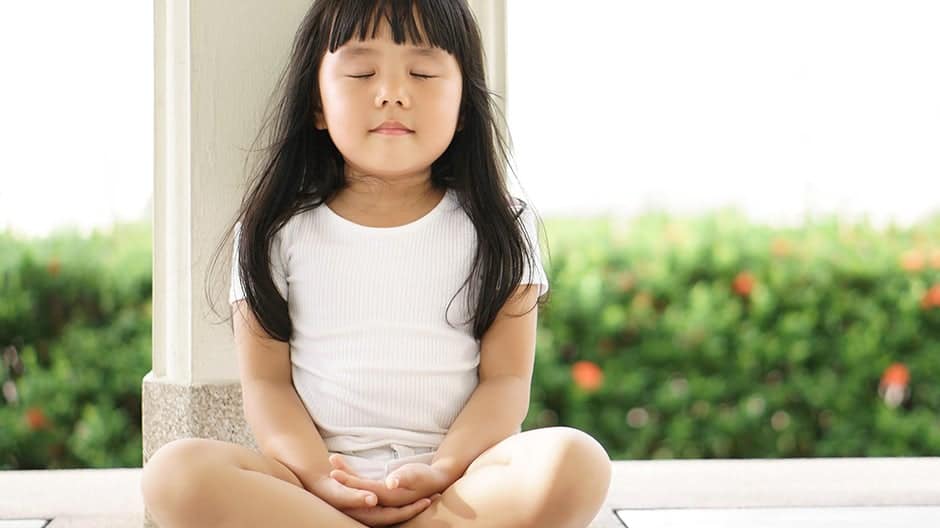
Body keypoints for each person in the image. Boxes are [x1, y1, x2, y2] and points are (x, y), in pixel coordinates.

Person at [141, 1, 611, 527]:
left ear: (463, 109)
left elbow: (505, 383)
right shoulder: (274, 228)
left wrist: (443, 470)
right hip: (316, 495)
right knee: (173, 474)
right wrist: (321, 478)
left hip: (457, 490)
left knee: (577, 461)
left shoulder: (503, 225)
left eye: (423, 72)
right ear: (317, 105)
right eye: (362, 72)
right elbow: (267, 386)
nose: (391, 92)